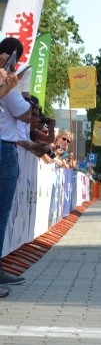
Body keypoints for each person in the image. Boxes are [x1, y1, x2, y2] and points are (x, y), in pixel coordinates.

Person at [0, 37, 30, 292]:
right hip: (3, 149)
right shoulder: (4, 77)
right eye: (14, 58)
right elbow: (23, 112)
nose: (14, 64)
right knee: (0, 216)